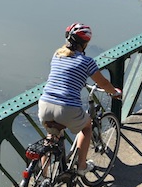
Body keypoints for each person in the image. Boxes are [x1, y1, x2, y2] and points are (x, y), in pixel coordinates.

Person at [37, 23, 122, 178]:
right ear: (85, 44)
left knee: (52, 134)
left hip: (44, 105)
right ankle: (82, 167)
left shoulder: (57, 55)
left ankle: (44, 176)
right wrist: (114, 92)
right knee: (87, 126)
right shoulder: (86, 62)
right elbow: (102, 83)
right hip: (67, 108)